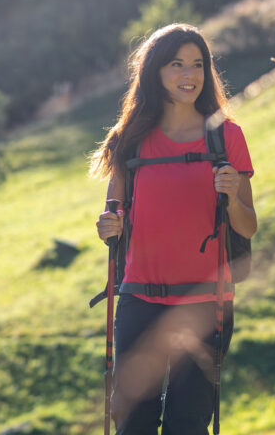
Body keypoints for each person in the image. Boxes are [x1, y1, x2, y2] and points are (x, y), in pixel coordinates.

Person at [89, 23, 257, 434]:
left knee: (187, 425)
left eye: (198, 64)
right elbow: (114, 219)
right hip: (139, 301)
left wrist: (233, 195)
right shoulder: (129, 140)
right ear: (154, 73)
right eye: (176, 64)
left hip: (204, 305)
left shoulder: (226, 137)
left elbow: (248, 227)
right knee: (134, 424)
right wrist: (107, 226)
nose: (190, 75)